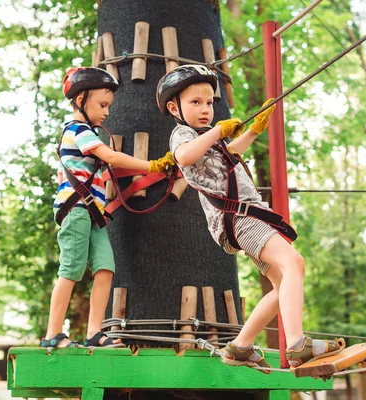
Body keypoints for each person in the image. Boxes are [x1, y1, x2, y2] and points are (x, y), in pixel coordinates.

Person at [157, 64, 345, 371]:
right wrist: (218, 130)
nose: (206, 109)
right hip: (239, 218)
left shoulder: (207, 137)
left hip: (244, 217)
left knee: (282, 281)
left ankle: (240, 347)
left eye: (209, 102)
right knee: (294, 263)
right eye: (196, 102)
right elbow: (185, 157)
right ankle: (297, 345)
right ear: (173, 106)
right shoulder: (183, 134)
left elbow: (230, 156)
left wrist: (253, 130)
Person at [42, 67, 172, 349]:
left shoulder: (87, 133)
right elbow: (110, 155)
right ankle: (53, 334)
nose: (107, 112)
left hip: (94, 212)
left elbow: (107, 164)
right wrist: (152, 165)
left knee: (105, 269)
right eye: (102, 105)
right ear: (80, 101)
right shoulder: (78, 130)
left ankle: (94, 332)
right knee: (71, 269)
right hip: (76, 209)